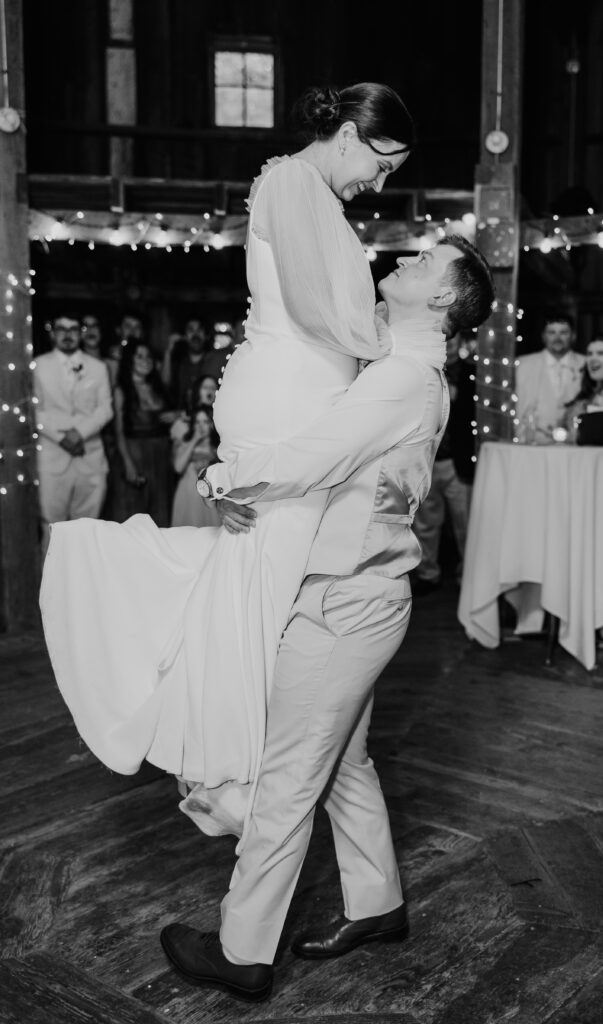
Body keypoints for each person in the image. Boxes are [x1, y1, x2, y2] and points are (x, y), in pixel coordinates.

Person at [40, 81, 414, 819]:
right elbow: (311, 307)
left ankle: (245, 757)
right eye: (382, 164)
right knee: (270, 577)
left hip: (301, 398)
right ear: (348, 135)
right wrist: (397, 345)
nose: (379, 183)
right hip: (287, 402)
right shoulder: (291, 182)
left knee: (268, 577)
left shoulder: (314, 193)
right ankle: (240, 767)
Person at [159, 234, 495, 1002]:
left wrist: (220, 476)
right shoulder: (405, 369)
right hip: (360, 595)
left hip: (345, 601)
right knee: (342, 762)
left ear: (443, 298)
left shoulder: (403, 377)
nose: (405, 260)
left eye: (424, 262)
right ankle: (377, 903)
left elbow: (315, 455)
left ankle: (242, 949)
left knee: (285, 780)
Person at [33, 313, 113, 555]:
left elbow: (105, 409)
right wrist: (61, 438)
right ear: (52, 333)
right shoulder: (38, 365)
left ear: (81, 333)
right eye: (61, 329)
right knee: (51, 526)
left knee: (86, 529)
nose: (67, 334)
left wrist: (79, 433)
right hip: (52, 458)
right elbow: (34, 409)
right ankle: (50, 578)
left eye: (73, 329)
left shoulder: (98, 367)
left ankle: (81, 576)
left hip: (90, 457)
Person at [411, 330, 477, 594]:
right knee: (425, 523)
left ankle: (468, 576)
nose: (448, 344)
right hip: (426, 459)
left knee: (466, 524)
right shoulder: (423, 370)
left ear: (460, 342)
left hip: (458, 460)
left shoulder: (472, 373)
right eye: (443, 339)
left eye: (452, 340)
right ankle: (427, 573)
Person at [110, 338, 175, 526]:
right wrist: (128, 464)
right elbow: (118, 432)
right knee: (133, 516)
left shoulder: (157, 388)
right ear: (130, 360)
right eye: (139, 356)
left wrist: (176, 415)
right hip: (136, 455)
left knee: (160, 516)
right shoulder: (121, 391)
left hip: (161, 458)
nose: (145, 360)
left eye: (148, 356)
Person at [514, 311, 585, 442]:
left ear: (573, 336)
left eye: (563, 332)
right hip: (533, 442)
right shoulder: (523, 364)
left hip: (575, 442)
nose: (557, 338)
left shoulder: (585, 364)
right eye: (552, 332)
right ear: (543, 336)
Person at [170, 404, 220, 527]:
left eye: (205, 422)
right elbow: (178, 467)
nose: (201, 426)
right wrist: (194, 440)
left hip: (209, 496)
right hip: (188, 494)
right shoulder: (185, 443)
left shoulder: (218, 447)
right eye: (197, 422)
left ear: (212, 424)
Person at [163, 317, 227, 412]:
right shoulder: (178, 362)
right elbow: (165, 383)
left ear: (206, 335)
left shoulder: (215, 361)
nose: (195, 335)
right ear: (184, 336)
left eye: (199, 330)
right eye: (191, 330)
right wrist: (168, 352)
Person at [169, 373, 219, 444]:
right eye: (205, 387)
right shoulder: (183, 423)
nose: (209, 391)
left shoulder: (220, 420)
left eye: (213, 388)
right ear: (197, 390)